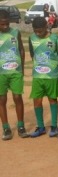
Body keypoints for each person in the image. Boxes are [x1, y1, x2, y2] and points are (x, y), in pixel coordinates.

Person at [28, 17, 58, 137]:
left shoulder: (55, 38)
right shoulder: (31, 38)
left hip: (52, 75)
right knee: (37, 101)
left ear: (46, 27)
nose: (37, 33)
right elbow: (32, 54)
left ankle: (54, 126)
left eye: (40, 31)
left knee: (52, 99)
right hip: (37, 76)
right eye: (35, 31)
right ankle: (40, 127)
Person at [0, 10, 27, 140]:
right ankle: (6, 128)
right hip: (1, 73)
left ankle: (21, 126)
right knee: (2, 100)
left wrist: (21, 67)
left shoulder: (16, 32)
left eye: (6, 24)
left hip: (15, 71)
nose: (5, 26)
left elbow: (21, 49)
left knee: (17, 97)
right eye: (2, 24)